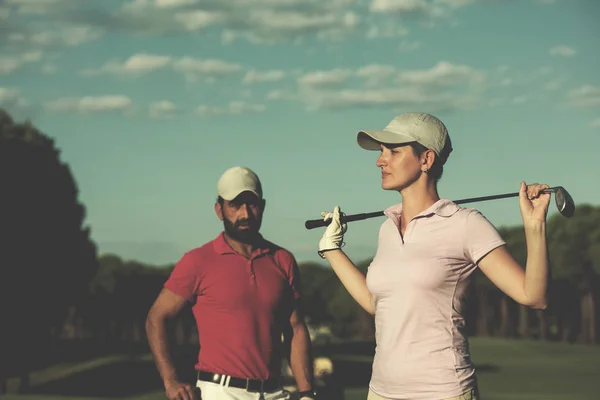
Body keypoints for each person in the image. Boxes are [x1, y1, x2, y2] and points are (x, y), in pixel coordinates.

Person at [316, 112, 551, 400]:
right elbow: (377, 303)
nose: (381, 160)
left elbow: (533, 295)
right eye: (381, 152)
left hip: (443, 391)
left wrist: (535, 224)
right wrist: (332, 250)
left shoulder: (465, 224)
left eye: (393, 151)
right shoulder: (386, 229)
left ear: (426, 160)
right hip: (380, 392)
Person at [146, 166, 318, 400]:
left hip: (275, 392)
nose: (245, 214)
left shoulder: (282, 259)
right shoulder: (198, 261)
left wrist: (307, 391)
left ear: (263, 207)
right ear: (219, 210)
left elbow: (295, 328)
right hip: (222, 391)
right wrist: (170, 380)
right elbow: (157, 316)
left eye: (252, 204)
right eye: (235, 205)